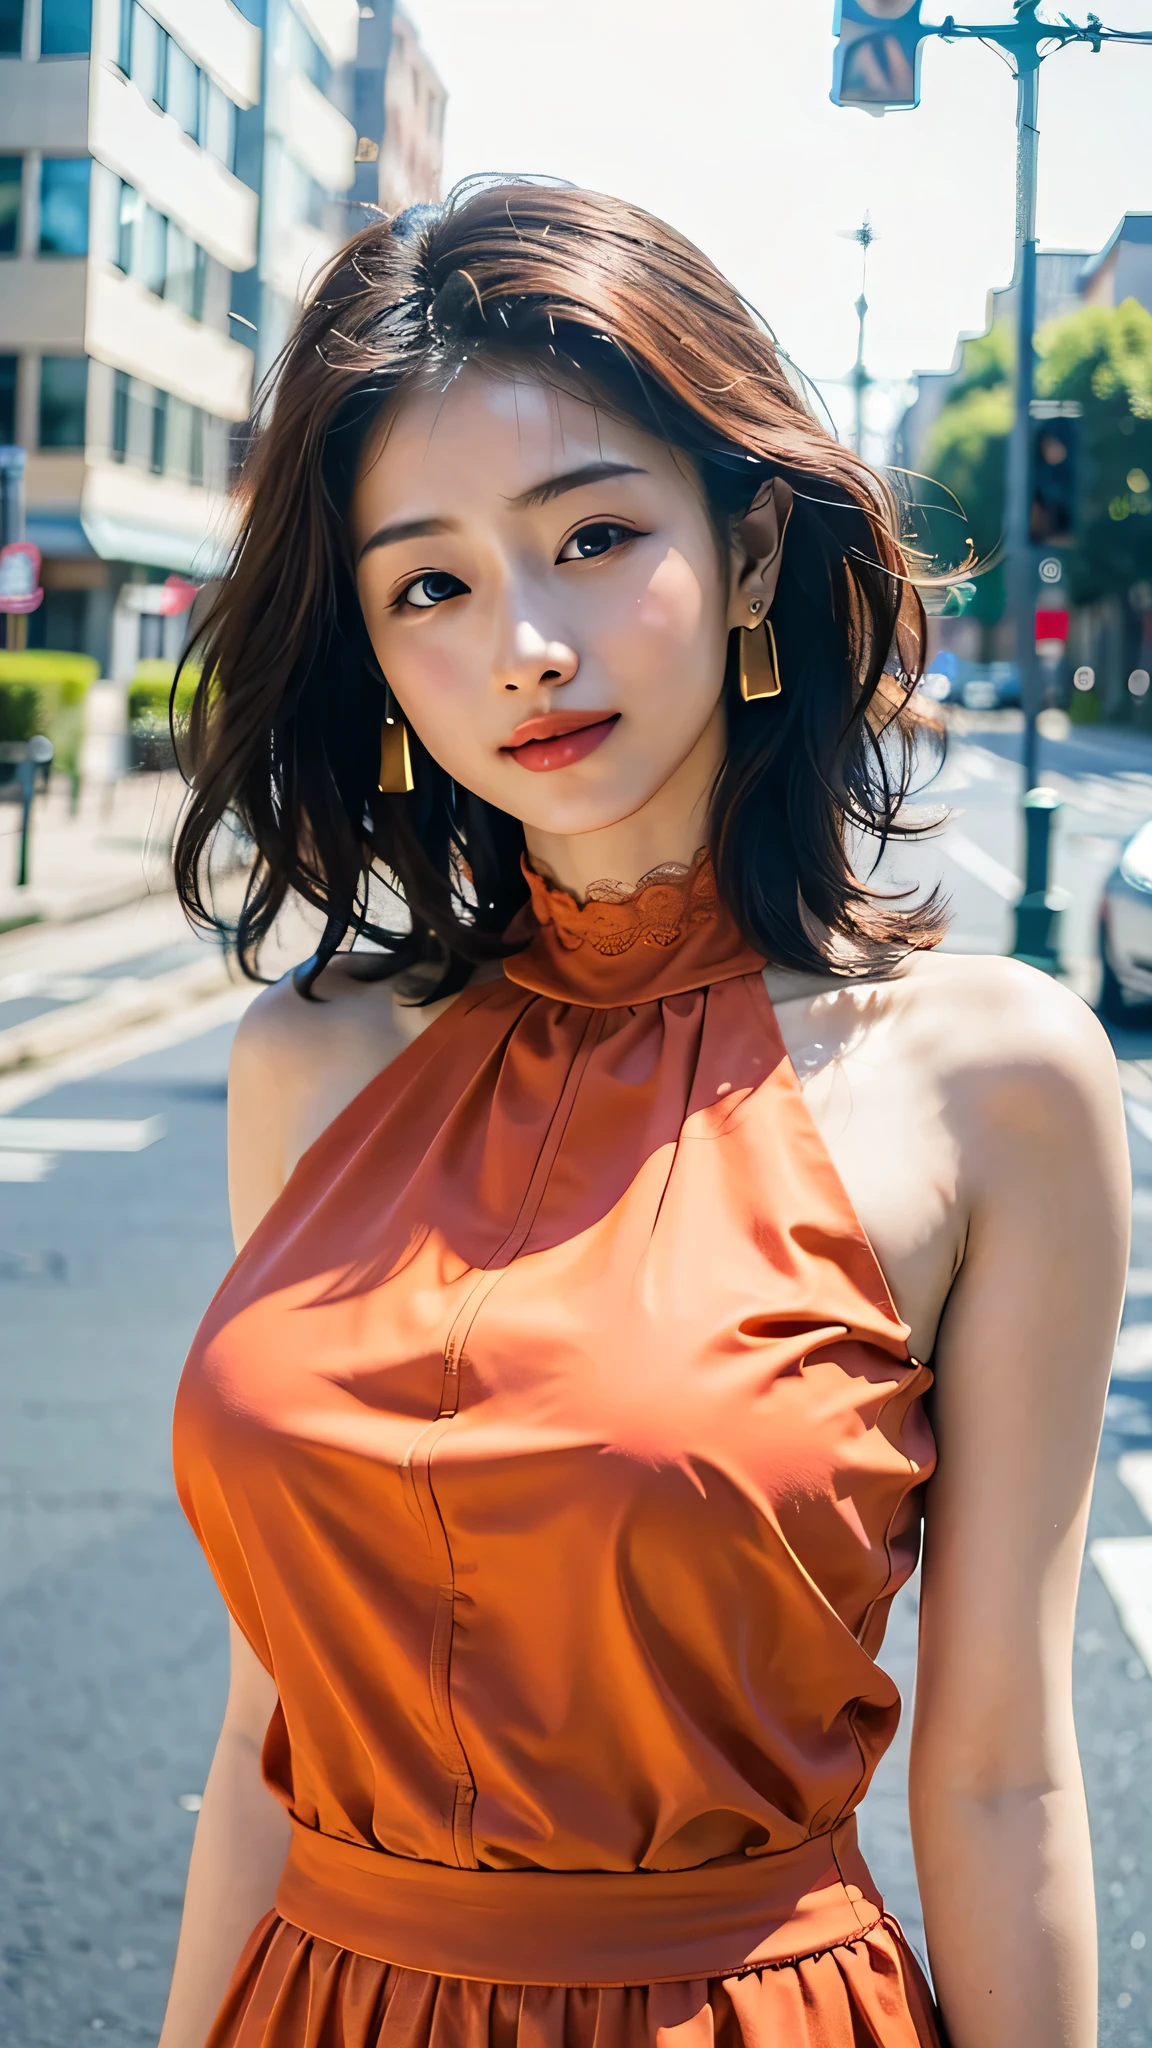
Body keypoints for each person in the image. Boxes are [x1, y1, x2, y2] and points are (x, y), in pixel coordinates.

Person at [162, 180, 1128, 2048]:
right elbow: (258, 1723)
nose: (521, 640)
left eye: (593, 535)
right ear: (373, 652)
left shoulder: (990, 1081)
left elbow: (1002, 1768)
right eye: (429, 581)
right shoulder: (310, 1063)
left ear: (752, 551)